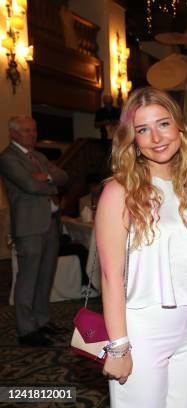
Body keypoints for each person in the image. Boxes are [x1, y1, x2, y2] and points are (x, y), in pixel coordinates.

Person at [96, 87, 187, 407]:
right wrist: (119, 346)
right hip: (143, 328)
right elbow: (111, 277)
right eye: (143, 129)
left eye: (163, 124)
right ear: (133, 139)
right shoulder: (119, 191)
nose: (156, 137)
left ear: (179, 128)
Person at [0, 115, 69, 347]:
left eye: (34, 130)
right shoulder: (8, 158)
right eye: (28, 131)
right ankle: (26, 329)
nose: (33, 134)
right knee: (28, 278)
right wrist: (48, 182)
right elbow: (28, 185)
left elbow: (64, 176)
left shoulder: (39, 156)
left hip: (50, 222)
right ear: (14, 133)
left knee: (45, 276)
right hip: (29, 226)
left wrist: (47, 176)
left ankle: (41, 320)